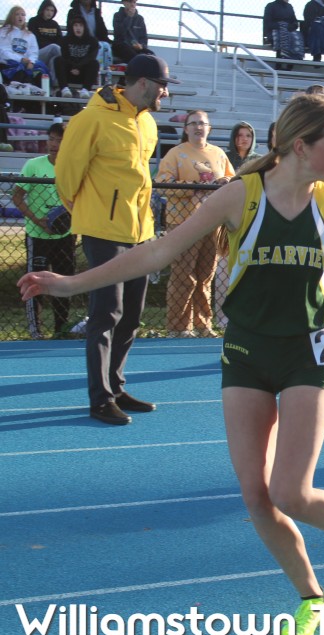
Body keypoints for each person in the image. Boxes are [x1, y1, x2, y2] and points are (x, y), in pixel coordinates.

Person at [20, 89, 324, 635]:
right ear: (300, 146)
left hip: (306, 352)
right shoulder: (239, 196)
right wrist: (72, 283)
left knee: (291, 492)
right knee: (256, 495)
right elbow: (156, 252)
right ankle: (312, 598)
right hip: (247, 351)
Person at [55, 53, 177, 426]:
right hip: (103, 232)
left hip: (140, 233)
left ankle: (116, 386)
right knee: (106, 313)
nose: (166, 93)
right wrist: (91, 212)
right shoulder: (90, 119)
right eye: (163, 86)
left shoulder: (148, 123)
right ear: (143, 83)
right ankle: (101, 398)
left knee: (131, 316)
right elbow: (66, 176)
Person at [155, 109, 235, 338]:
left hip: (212, 223)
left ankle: (202, 324)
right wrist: (193, 188)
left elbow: (233, 179)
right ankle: (179, 327)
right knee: (183, 275)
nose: (198, 127)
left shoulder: (218, 153)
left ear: (209, 128)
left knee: (205, 276)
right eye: (193, 123)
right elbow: (162, 183)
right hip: (183, 223)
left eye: (202, 123)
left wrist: (224, 181)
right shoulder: (175, 154)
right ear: (186, 128)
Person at [14, 121, 75, 340]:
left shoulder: (73, 168)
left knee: (64, 280)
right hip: (37, 235)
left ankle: (61, 328)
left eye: (59, 140)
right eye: (51, 139)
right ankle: (35, 330)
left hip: (65, 235)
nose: (54, 144)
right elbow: (17, 197)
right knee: (35, 282)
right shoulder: (34, 165)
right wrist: (37, 221)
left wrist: (70, 215)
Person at [0, 6, 48, 87]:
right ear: (11, 16)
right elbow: (3, 51)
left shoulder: (30, 35)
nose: (20, 17)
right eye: (17, 14)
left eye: (23, 15)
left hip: (26, 64)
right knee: (20, 71)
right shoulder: (4, 32)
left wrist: (31, 62)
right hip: (9, 65)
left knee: (40, 72)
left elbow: (33, 52)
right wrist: (20, 59)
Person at [55, 14, 98, 97]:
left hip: (83, 73)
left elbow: (91, 57)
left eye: (81, 25)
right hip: (69, 72)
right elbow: (65, 56)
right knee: (58, 60)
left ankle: (86, 90)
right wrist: (73, 67)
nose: (78, 28)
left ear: (85, 27)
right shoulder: (65, 40)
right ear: (72, 27)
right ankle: (64, 89)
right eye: (75, 25)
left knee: (94, 63)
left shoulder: (92, 41)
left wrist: (78, 67)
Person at [27, 0, 61, 89]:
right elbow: (35, 40)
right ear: (42, 10)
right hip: (37, 54)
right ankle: (71, 63)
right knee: (53, 47)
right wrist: (50, 45)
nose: (49, 13)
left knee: (54, 59)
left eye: (52, 10)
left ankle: (53, 85)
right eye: (47, 10)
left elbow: (60, 41)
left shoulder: (55, 24)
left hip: (51, 53)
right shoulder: (33, 21)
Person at [111, 0, 153, 64]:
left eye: (134, 2)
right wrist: (129, 17)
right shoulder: (117, 15)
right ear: (124, 2)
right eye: (130, 2)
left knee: (151, 55)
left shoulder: (140, 18)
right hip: (121, 45)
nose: (132, 4)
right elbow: (119, 33)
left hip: (136, 47)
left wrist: (141, 45)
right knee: (130, 53)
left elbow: (144, 37)